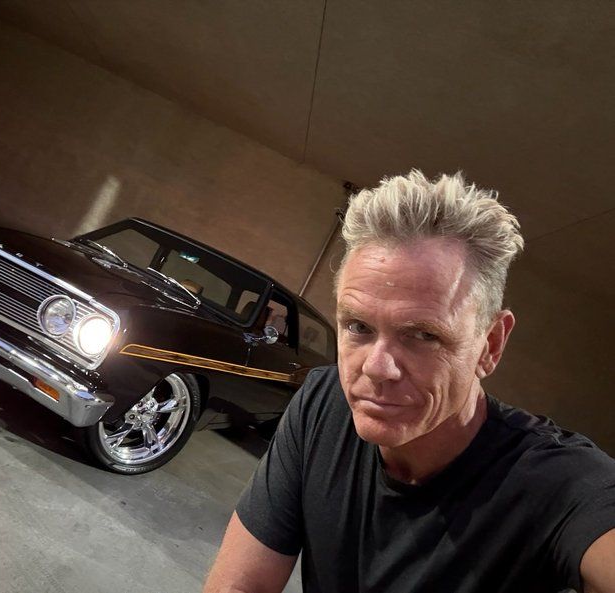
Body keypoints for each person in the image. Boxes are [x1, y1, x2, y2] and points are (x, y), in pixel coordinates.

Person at [203, 170, 615, 593]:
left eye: (423, 335)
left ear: (490, 344)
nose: (377, 367)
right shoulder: (324, 404)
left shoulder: (558, 483)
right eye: (358, 326)